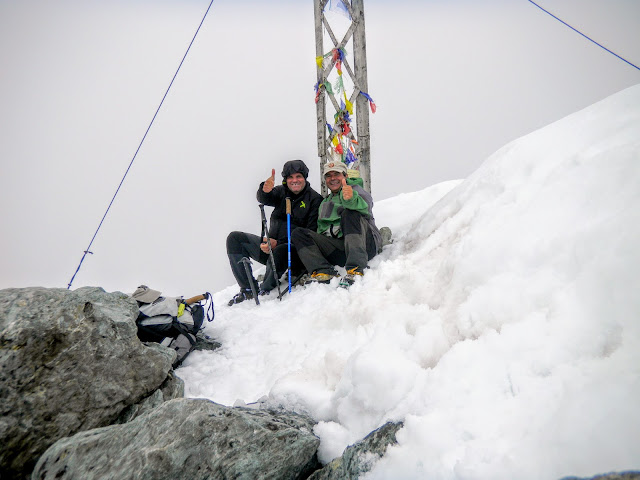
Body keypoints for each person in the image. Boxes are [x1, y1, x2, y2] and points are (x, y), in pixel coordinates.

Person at [226, 159, 323, 305]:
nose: (294, 180)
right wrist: (264, 190)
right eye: (290, 177)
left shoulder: (315, 200)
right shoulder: (281, 192)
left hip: (294, 255)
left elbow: (309, 235)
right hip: (271, 249)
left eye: (298, 176)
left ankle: (266, 291)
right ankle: (248, 289)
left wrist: (279, 243)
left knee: (281, 250)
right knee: (234, 239)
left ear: (305, 177)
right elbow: (265, 198)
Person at [291, 161, 382, 287]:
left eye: (337, 174)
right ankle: (324, 271)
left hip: (365, 246)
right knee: (298, 233)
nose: (333, 178)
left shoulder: (357, 191)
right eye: (329, 176)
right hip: (341, 249)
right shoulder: (324, 203)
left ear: (345, 176)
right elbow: (321, 230)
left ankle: (356, 269)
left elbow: (365, 207)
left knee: (350, 213)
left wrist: (350, 199)